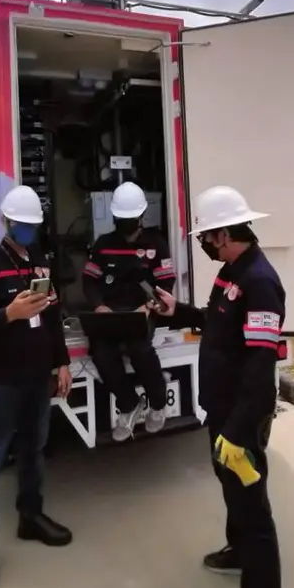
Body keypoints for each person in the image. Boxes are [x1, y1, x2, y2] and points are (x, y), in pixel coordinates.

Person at [153, 185, 290, 588]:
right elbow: (217, 322)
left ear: (227, 232)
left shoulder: (260, 282)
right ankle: (236, 553)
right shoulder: (231, 273)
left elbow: (259, 367)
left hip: (241, 419)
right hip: (224, 411)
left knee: (255, 516)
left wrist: (238, 430)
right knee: (234, 496)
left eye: (208, 237)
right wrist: (178, 313)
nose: (204, 245)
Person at [0, 184, 73, 588]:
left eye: (32, 226)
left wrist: (61, 361)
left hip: (36, 379)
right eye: (20, 225)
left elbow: (51, 315)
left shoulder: (42, 262)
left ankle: (31, 517)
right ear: (5, 222)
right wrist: (8, 314)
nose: (27, 231)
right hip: (2, 382)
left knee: (34, 451)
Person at [82, 181, 176, 441]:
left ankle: (158, 404)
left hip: (142, 312)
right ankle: (128, 405)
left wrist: (149, 306)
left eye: (131, 218)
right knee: (101, 354)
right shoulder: (103, 244)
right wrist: (98, 305)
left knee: (140, 351)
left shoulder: (156, 244)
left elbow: (165, 282)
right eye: (122, 218)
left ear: (142, 216)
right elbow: (89, 280)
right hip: (109, 314)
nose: (127, 223)